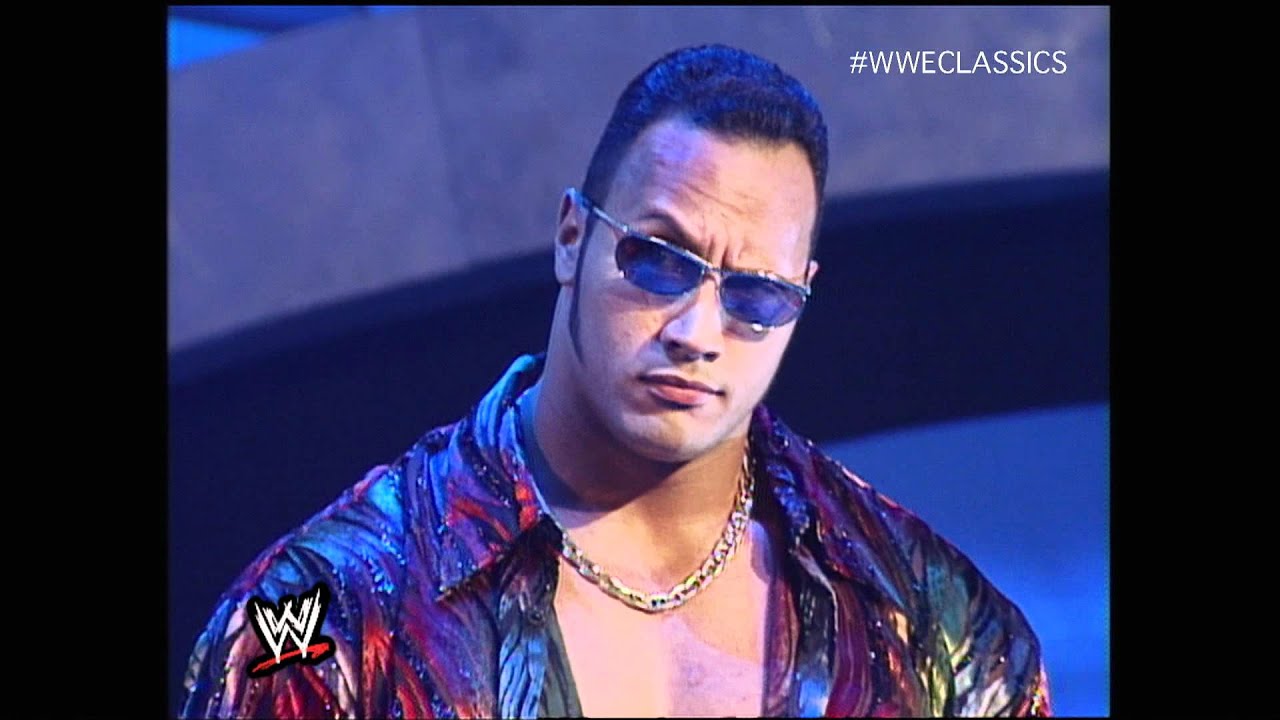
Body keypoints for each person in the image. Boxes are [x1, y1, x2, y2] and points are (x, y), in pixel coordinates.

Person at [180, 43, 1051, 718]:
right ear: (573, 238)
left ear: (802, 295)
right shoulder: (324, 607)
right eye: (659, 261)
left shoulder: (933, 621)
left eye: (756, 294)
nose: (697, 333)